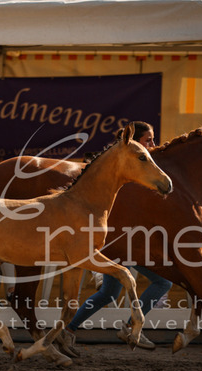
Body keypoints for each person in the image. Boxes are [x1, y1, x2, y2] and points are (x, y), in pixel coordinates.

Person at [65, 121, 173, 351]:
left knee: (109, 293)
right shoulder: (130, 172)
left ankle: (69, 330)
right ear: (133, 142)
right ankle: (129, 326)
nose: (153, 144)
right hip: (122, 243)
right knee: (163, 281)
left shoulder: (132, 170)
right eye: (148, 140)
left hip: (122, 242)